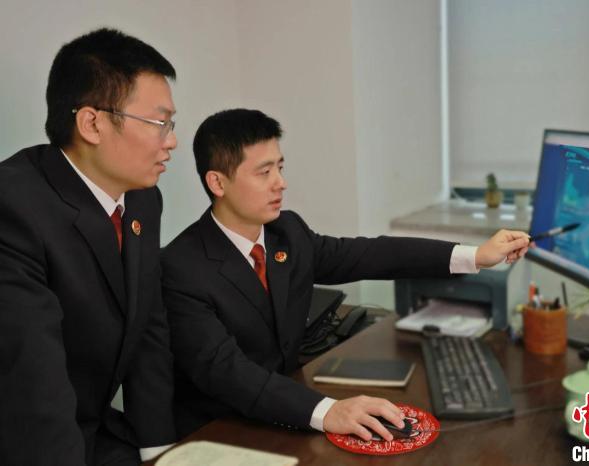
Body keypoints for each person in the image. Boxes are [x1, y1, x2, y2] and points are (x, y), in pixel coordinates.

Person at [161, 108, 529, 442]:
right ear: (218, 183)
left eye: (280, 167)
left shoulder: (287, 232)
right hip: (219, 431)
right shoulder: (181, 267)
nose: (280, 183)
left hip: (286, 412)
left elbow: (373, 255)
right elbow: (228, 373)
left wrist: (476, 256)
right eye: (264, 172)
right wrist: (328, 411)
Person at [0, 29, 178, 466]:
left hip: (98, 432)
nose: (171, 141)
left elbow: (149, 330)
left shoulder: (143, 199)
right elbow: (32, 382)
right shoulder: (13, 206)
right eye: (159, 124)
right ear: (92, 124)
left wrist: (159, 452)